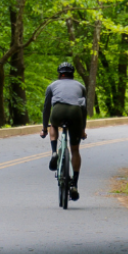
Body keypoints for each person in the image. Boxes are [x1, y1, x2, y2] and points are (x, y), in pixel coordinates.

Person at [40, 60, 86, 201]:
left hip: (58, 111)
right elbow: (84, 109)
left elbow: (46, 108)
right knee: (75, 151)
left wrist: (44, 128)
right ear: (72, 75)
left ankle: (54, 152)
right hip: (75, 113)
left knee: (53, 125)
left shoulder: (52, 85)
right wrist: (82, 129)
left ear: (59, 75)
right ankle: (74, 185)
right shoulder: (80, 86)